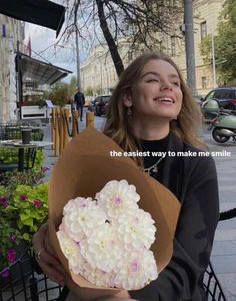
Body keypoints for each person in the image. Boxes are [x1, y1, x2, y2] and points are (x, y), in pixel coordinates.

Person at [33, 52, 219, 301]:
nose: (168, 86)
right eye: (153, 79)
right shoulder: (97, 156)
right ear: (127, 96)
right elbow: (68, 226)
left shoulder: (195, 164)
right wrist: (42, 242)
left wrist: (122, 294)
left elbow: (187, 268)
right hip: (90, 288)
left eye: (175, 83)